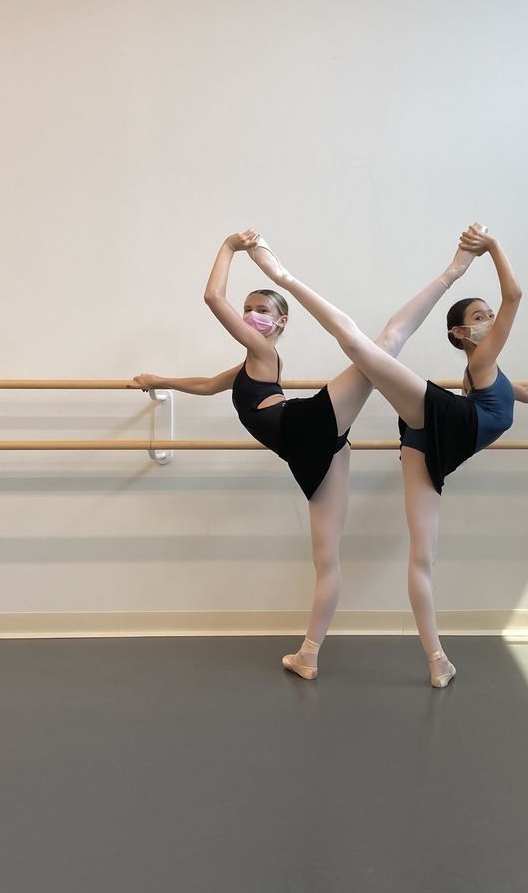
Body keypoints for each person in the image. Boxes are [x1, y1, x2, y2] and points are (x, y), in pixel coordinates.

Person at [243, 223, 528, 687]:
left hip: (433, 442)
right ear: (461, 332)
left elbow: (523, 393)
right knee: (372, 343)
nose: (491, 317)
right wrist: (490, 248)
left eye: (489, 313)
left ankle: (435, 662)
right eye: (482, 315)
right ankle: (285, 275)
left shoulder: (487, 372)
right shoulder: (482, 358)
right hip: (449, 425)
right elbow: (515, 295)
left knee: (423, 556)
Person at [134, 229, 486, 680]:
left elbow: (210, 297)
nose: (250, 316)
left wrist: (229, 246)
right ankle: (309, 654)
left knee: (385, 342)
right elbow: (206, 385)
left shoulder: (260, 350)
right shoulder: (249, 365)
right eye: (248, 309)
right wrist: (159, 379)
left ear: (280, 325)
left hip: (304, 426)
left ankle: (452, 273)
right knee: (326, 559)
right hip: (314, 452)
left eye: (262, 310)